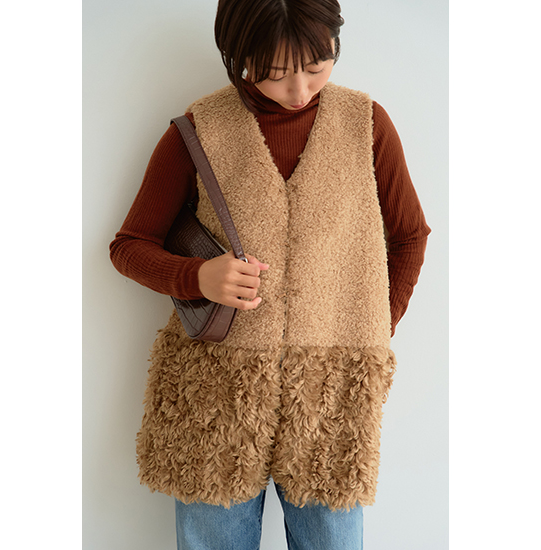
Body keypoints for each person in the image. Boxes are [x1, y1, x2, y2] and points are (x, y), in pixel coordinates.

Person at [109, 0, 431, 548]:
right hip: (215, 391)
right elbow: (129, 246)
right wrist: (198, 277)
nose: (300, 90)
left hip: (332, 393)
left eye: (317, 66)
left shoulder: (366, 124)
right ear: (239, 54)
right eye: (276, 73)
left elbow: (409, 236)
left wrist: (375, 326)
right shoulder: (199, 129)